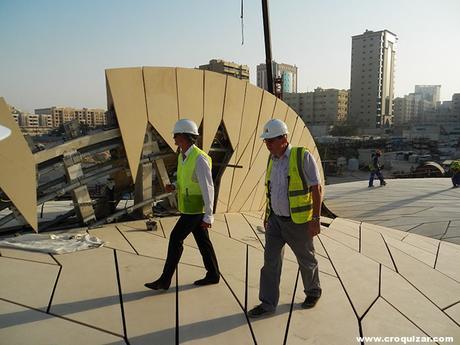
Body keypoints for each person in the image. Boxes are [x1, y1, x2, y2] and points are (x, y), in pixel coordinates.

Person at [247, 119, 322, 318]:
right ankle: (267, 303)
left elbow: (316, 187)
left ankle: (313, 292)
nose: (267, 145)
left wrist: (315, 218)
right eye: (266, 141)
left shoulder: (301, 156)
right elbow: (271, 191)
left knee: (306, 260)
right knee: (270, 262)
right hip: (275, 222)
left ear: (284, 138)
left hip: (298, 222)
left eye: (270, 141)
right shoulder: (272, 159)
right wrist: (267, 215)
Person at [144, 119, 220, 290]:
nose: (174, 139)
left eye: (176, 135)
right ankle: (213, 274)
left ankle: (165, 280)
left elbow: (208, 188)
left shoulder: (199, 158)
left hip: (195, 210)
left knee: (175, 239)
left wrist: (209, 215)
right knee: (203, 243)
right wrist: (175, 185)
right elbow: (185, 180)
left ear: (185, 137)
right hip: (187, 207)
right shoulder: (182, 156)